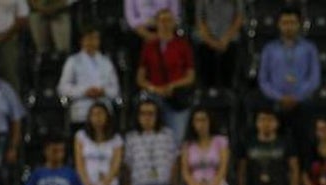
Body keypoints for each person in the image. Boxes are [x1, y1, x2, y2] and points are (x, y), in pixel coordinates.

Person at [257, 6, 321, 147]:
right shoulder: (269, 49)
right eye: (285, 23)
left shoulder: (309, 48)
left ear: (299, 24)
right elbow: (263, 80)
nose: (288, 27)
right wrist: (280, 97)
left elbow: (314, 78)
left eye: (292, 23)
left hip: (302, 103)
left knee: (305, 138)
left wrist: (296, 97)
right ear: (279, 25)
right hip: (276, 103)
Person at [136, 8, 196, 145]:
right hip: (154, 96)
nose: (165, 24)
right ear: (156, 23)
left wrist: (173, 86)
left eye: (168, 20)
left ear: (174, 23)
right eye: (162, 20)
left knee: (176, 140)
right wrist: (154, 88)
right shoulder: (149, 46)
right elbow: (140, 78)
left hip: (176, 98)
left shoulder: (182, 45)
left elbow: (191, 76)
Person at [57, 25, 122, 126]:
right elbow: (63, 88)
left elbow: (115, 90)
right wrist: (85, 91)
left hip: (104, 109)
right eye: (88, 38)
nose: (91, 42)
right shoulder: (73, 61)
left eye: (95, 38)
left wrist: (103, 91)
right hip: (81, 110)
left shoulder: (106, 62)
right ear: (82, 41)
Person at [194, 0, 244, 90]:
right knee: (206, 78)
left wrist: (226, 39)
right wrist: (211, 41)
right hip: (207, 41)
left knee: (229, 78)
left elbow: (239, 18)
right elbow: (200, 20)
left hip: (230, 40)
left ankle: (229, 98)